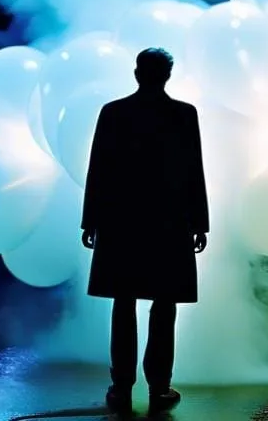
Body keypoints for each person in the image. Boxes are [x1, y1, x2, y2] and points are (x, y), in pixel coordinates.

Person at [80, 48, 209, 414]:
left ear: (137, 73)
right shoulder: (184, 115)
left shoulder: (114, 112)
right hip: (168, 223)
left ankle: (121, 387)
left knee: (124, 302)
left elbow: (99, 171)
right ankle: (159, 386)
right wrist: (199, 223)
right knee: (164, 303)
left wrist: (91, 220)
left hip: (122, 222)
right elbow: (193, 173)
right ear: (167, 75)